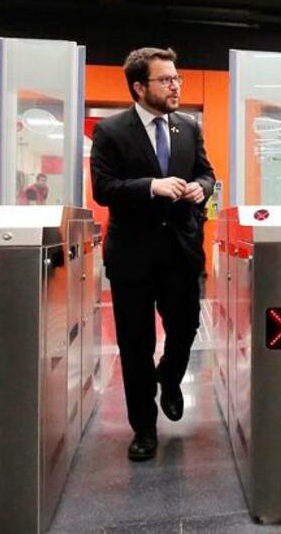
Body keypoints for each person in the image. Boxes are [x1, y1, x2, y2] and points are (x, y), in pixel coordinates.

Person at [91, 47, 214, 463]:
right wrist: (150, 186)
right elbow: (103, 189)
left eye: (177, 78)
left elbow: (206, 172)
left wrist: (201, 188)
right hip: (133, 255)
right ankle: (143, 427)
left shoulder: (188, 127)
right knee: (135, 344)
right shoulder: (111, 131)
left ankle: (171, 376)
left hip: (181, 251)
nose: (176, 86)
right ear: (140, 87)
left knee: (186, 327)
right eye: (166, 80)